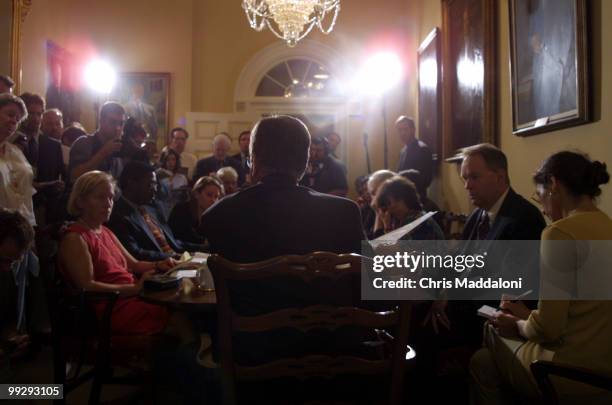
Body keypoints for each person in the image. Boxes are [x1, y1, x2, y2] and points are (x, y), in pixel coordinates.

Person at [470, 151, 612, 404]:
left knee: (488, 333)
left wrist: (513, 323)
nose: (544, 210)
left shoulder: (559, 233)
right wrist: (526, 316)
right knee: (485, 363)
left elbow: (547, 329)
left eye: (541, 196)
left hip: (567, 371)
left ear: (553, 185)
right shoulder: (606, 226)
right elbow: (582, 312)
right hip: (604, 367)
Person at [200, 115, 365, 263]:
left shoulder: (217, 215)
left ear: (254, 162)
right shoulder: (344, 213)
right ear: (305, 162)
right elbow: (375, 284)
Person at [58, 171, 173, 335]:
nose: (108, 204)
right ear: (80, 201)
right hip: (112, 307)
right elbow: (87, 286)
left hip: (131, 297)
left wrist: (160, 264)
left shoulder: (104, 231)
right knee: (178, 316)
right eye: (100, 197)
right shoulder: (75, 238)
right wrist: (135, 288)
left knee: (179, 308)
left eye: (111, 197)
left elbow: (135, 264)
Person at [108, 161, 203, 261]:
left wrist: (204, 248)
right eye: (150, 184)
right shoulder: (117, 215)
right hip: (156, 268)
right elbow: (135, 253)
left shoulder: (153, 208)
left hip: (177, 261)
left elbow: (173, 243)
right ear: (131, 183)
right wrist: (173, 257)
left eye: (156, 185)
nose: (155, 189)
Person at [0, 209, 35, 371]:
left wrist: (10, 342)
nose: (7, 268)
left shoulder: (4, 274)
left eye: (13, 262)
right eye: (4, 260)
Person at [68, 101, 125, 182]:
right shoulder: (84, 143)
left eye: (121, 123)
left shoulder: (118, 152)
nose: (117, 128)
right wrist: (103, 153)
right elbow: (74, 176)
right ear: (101, 121)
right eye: (112, 122)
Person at [375, 176, 444, 240]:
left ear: (403, 198)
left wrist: (387, 226)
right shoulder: (412, 216)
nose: (389, 210)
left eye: (389, 203)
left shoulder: (415, 221)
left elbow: (385, 250)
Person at [168, 176, 223, 245]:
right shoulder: (181, 210)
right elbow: (179, 239)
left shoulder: (214, 215)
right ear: (196, 194)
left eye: (216, 197)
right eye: (209, 195)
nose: (213, 200)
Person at [396, 116, 434, 191]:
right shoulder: (403, 151)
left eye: (405, 129)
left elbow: (426, 180)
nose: (402, 133)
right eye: (400, 130)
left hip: (416, 197)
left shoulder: (422, 149)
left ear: (413, 130)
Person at [156, 148, 189, 218]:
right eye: (168, 159)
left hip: (178, 210)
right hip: (162, 209)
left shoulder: (182, 178)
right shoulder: (159, 175)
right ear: (164, 161)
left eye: (173, 159)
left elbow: (185, 198)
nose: (171, 162)